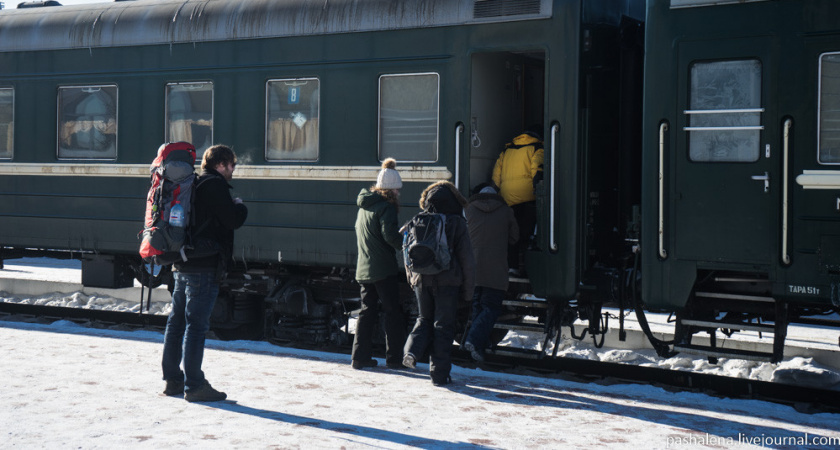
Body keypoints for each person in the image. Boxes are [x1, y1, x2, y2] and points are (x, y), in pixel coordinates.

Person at [161, 144, 248, 402]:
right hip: (203, 265)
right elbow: (232, 220)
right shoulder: (215, 185)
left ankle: (173, 380)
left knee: (176, 323)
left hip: (183, 262)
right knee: (196, 327)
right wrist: (239, 206)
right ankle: (195, 385)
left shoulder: (194, 184)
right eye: (232, 164)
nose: (233, 169)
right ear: (221, 164)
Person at [402, 181, 475, 386]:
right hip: (448, 282)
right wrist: (469, 292)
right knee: (443, 326)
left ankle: (410, 352)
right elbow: (467, 260)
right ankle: (439, 375)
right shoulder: (457, 222)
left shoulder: (419, 219)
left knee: (423, 319)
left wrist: (412, 279)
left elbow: (406, 253)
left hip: (421, 280)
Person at [351, 158, 407, 370]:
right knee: (393, 312)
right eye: (397, 190)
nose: (399, 194)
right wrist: (407, 244)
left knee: (367, 312)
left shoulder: (364, 206)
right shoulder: (387, 208)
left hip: (364, 268)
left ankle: (359, 357)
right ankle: (394, 359)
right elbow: (390, 237)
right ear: (391, 190)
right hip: (383, 268)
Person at [463, 184, 518, 362]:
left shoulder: (469, 209)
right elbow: (514, 237)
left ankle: (478, 347)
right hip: (496, 269)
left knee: (478, 306)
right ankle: (472, 339)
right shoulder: (506, 211)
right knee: (492, 308)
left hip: (473, 267)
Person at [491, 129, 544, 276]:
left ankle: (512, 267)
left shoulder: (507, 150)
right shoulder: (537, 147)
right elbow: (536, 168)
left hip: (507, 198)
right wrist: (539, 188)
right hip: (528, 197)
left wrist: (495, 192)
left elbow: (496, 175)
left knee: (512, 234)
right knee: (527, 234)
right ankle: (527, 268)